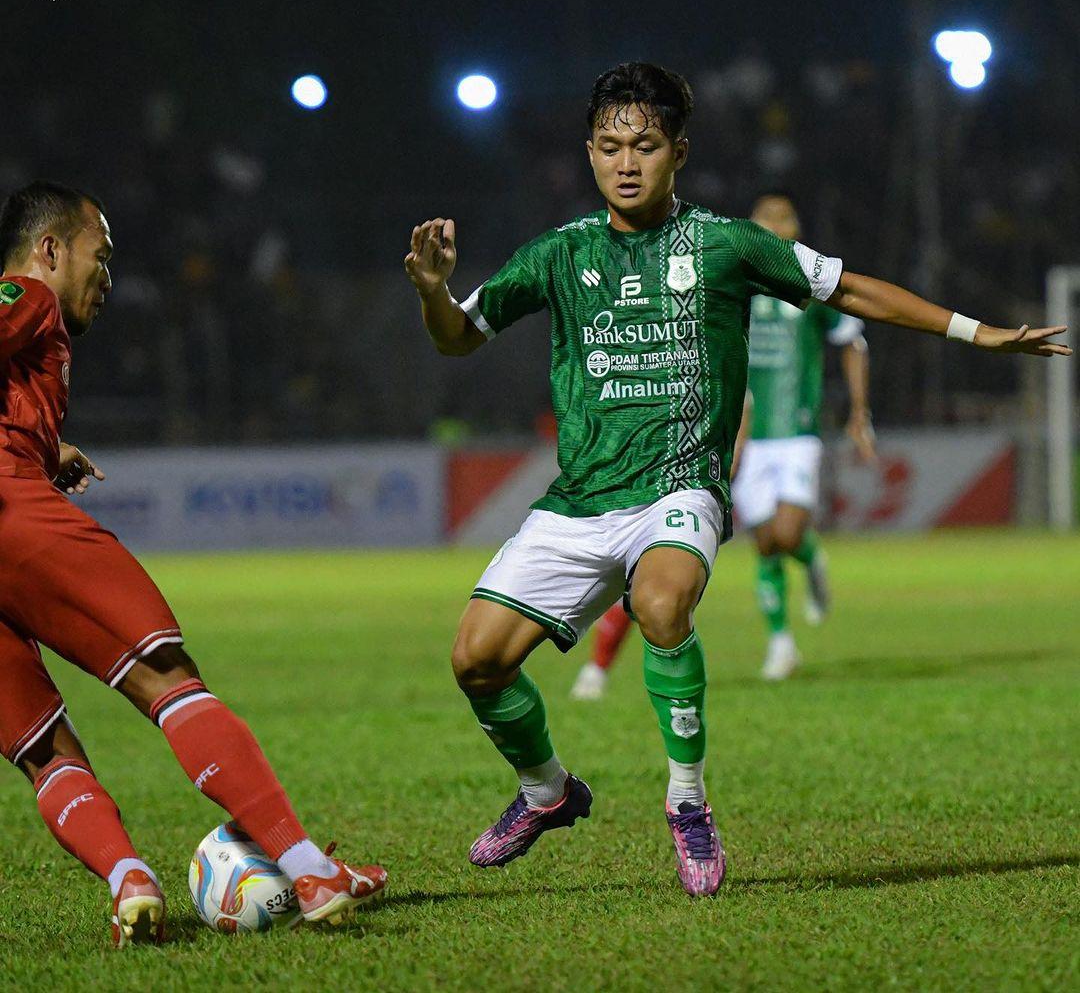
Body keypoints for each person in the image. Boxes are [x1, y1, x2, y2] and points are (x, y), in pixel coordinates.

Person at [404, 62, 1068, 897]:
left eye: (645, 145)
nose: (626, 161)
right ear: (589, 153)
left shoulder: (724, 244)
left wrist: (980, 334)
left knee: (660, 603)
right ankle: (547, 792)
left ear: (678, 153)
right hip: (580, 499)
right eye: (609, 146)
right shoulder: (559, 255)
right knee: (475, 662)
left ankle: (688, 801)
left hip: (681, 487)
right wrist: (435, 294)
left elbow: (851, 287)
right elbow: (458, 338)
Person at [0, 181, 386, 947]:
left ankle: (128, 880)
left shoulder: (35, 342)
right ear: (50, 251)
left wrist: (47, 449)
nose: (107, 278)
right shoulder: (29, 297)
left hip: (18, 485)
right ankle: (309, 869)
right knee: (168, 682)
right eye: (98, 256)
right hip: (13, 513)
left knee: (42, 748)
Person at [570, 190, 876, 695]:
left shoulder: (807, 288)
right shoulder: (734, 287)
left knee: (786, 530)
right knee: (764, 541)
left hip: (797, 431)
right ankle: (781, 643)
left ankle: (810, 556)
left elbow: (853, 337)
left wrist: (859, 413)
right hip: (744, 435)